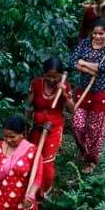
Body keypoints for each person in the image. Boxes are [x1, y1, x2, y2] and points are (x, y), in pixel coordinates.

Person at [69, 18, 105, 173]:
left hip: (102, 92)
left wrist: (82, 62)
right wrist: (88, 68)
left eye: (101, 33)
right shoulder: (85, 43)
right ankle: (85, 151)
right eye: (95, 33)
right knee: (77, 124)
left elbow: (104, 68)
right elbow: (71, 61)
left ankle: (91, 161)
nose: (97, 36)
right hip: (83, 90)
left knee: (95, 129)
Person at [25, 57, 74, 198]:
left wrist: (64, 93)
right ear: (43, 74)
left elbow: (73, 110)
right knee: (32, 159)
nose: (51, 79)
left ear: (60, 75)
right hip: (36, 128)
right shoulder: (36, 84)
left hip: (54, 128)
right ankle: (29, 191)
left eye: (55, 76)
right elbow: (28, 106)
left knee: (46, 162)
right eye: (48, 76)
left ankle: (43, 194)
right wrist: (27, 124)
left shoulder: (65, 86)